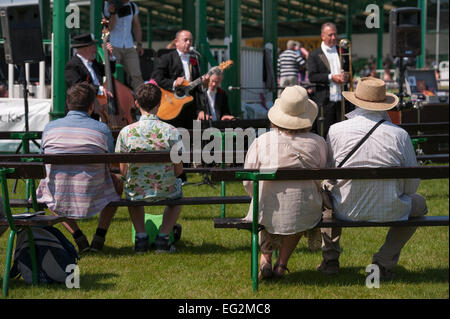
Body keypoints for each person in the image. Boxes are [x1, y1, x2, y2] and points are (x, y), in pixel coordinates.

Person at [317, 77, 428, 280]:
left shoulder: (336, 130)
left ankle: (330, 259)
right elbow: (412, 186)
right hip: (392, 209)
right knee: (420, 204)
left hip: (345, 208)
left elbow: (328, 172)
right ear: (384, 103)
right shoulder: (400, 135)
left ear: (357, 101)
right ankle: (383, 262)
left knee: (326, 197)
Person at [243, 85, 327, 279]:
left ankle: (265, 260)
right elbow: (324, 174)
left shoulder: (262, 141)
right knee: (295, 210)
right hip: (305, 208)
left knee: (265, 202)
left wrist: (255, 195)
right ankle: (281, 265)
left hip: (267, 207)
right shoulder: (317, 142)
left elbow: (248, 179)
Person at [36, 83, 122, 254]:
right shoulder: (102, 129)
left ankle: (77, 236)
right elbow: (111, 161)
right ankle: (99, 236)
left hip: (59, 191)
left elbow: (42, 157)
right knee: (117, 183)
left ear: (68, 104)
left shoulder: (50, 127)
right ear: (91, 106)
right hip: (93, 192)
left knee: (45, 191)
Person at [115, 83, 183, 253]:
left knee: (131, 192)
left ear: (136, 103)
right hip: (166, 189)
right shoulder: (172, 131)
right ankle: (163, 238)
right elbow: (178, 170)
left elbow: (123, 171)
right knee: (177, 197)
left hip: (137, 190)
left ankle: (141, 238)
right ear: (159, 104)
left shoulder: (126, 132)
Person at [151, 29, 208, 129]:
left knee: (190, 139)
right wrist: (173, 83)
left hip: (190, 107)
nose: (189, 43)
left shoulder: (195, 60)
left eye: (190, 40)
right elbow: (156, 77)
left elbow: (198, 89)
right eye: (185, 40)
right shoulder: (167, 58)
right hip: (172, 105)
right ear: (176, 42)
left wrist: (201, 109)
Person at [308, 22, 352, 138]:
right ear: (322, 36)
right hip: (325, 101)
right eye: (330, 35)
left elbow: (351, 70)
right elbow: (312, 77)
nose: (333, 38)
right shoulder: (314, 54)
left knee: (343, 133)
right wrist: (331, 77)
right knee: (324, 133)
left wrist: (346, 76)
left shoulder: (342, 50)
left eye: (335, 35)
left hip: (342, 100)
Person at [65, 33, 115, 118]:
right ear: (86, 49)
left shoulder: (93, 62)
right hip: (82, 109)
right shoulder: (72, 65)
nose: (95, 50)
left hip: (95, 105)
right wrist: (99, 89)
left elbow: (109, 71)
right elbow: (78, 86)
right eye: (93, 47)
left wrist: (109, 57)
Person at [103, 0, 144, 91]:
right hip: (113, 45)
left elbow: (136, 26)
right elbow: (109, 28)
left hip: (129, 45)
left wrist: (139, 44)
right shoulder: (106, 6)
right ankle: (114, 102)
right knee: (113, 75)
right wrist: (113, 13)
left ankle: (142, 100)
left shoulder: (133, 6)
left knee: (136, 75)